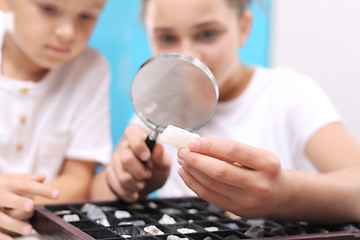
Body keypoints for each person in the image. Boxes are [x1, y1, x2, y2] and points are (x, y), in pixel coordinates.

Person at [90, 0, 360, 223]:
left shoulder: (289, 95)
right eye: (166, 37)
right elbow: (96, 194)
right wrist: (129, 183)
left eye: (207, 34)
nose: (189, 55)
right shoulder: (155, 107)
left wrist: (285, 194)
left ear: (243, 28)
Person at [0, 0, 111, 238]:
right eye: (48, 9)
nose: (67, 32)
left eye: (86, 16)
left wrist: (17, 208)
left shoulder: (91, 69)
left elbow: (79, 177)